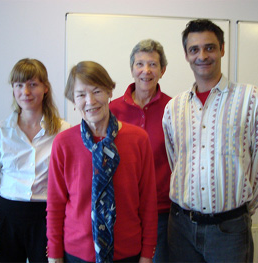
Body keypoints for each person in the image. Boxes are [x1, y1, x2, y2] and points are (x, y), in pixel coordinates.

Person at [162, 19, 258, 262]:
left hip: (230, 231)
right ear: (186, 55)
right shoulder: (174, 108)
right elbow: (176, 162)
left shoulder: (251, 99)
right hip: (181, 228)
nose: (202, 55)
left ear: (222, 49)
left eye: (210, 47)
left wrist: (240, 210)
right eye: (194, 49)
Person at [46, 61, 158, 263]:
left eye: (97, 91)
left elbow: (148, 202)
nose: (90, 101)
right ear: (73, 100)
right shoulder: (63, 143)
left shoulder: (138, 139)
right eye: (81, 94)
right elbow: (55, 205)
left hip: (127, 254)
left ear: (109, 92)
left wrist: (147, 253)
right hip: (77, 254)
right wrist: (54, 255)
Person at [0, 58, 70, 262]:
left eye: (33, 85)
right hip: (7, 217)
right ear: (13, 89)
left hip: (46, 218)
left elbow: (70, 183)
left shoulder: (62, 131)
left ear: (45, 88)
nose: (25, 92)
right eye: (19, 85)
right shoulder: (0, 132)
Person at [109, 39, 171, 263]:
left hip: (162, 212)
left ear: (162, 70)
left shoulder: (174, 109)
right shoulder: (111, 110)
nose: (146, 71)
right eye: (140, 64)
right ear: (132, 69)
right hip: (122, 211)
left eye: (153, 65)